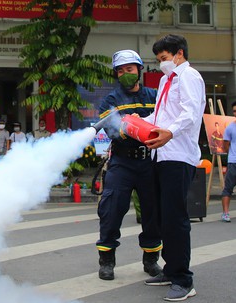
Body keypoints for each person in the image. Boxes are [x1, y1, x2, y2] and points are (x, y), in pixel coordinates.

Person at [143, 34, 205, 302]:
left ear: (179, 54)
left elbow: (190, 114)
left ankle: (183, 279)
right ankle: (170, 269)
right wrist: (139, 120)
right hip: (161, 156)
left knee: (176, 219)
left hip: (179, 156)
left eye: (165, 59)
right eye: (158, 61)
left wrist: (169, 132)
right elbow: (159, 117)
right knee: (162, 218)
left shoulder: (189, 77)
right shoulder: (166, 81)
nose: (161, 65)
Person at [96, 50, 162, 281]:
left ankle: (151, 259)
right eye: (121, 71)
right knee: (112, 210)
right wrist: (124, 128)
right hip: (122, 163)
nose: (125, 74)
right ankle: (107, 260)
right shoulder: (111, 100)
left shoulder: (154, 95)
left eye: (130, 69)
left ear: (139, 70)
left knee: (152, 213)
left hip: (148, 162)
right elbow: (108, 128)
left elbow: (164, 121)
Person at [220, 101, 236, 223]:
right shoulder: (230, 128)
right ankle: (225, 213)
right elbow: (225, 146)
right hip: (233, 162)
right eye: (234, 111)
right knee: (228, 188)